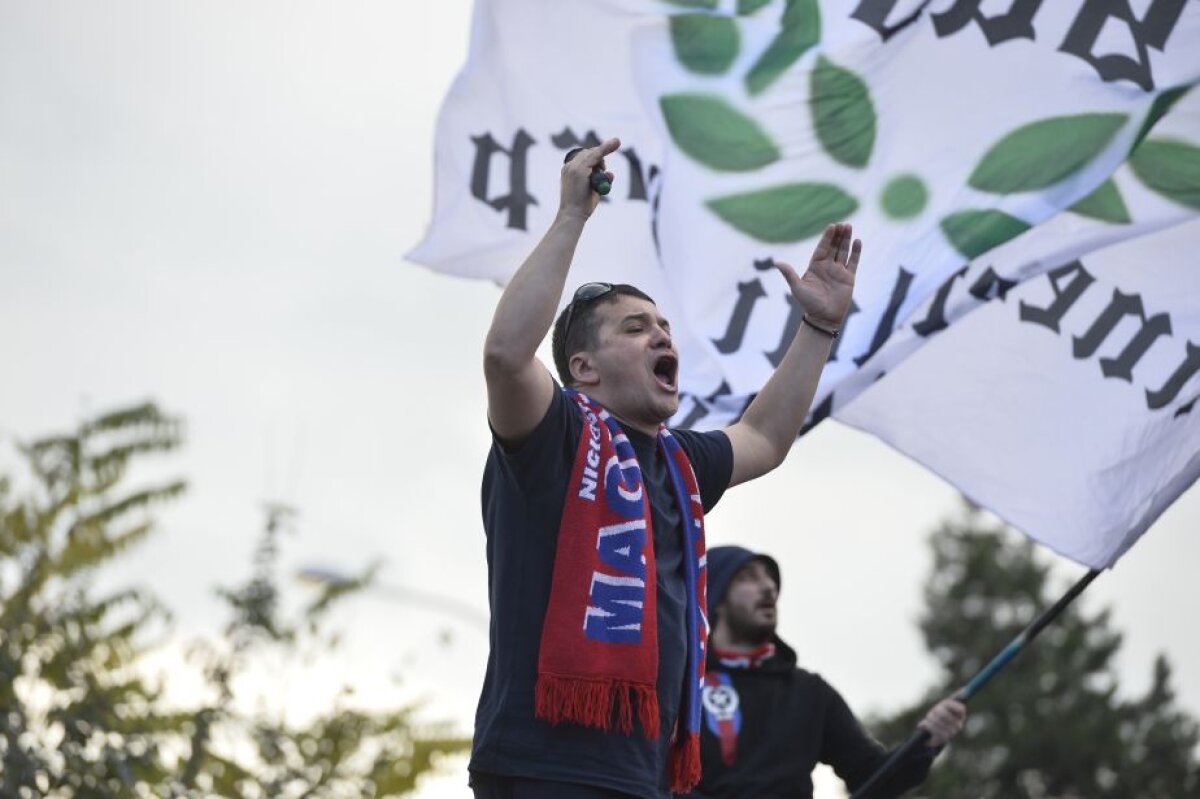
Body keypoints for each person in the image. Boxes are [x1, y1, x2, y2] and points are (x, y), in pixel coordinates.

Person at [471, 137, 862, 799]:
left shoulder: (679, 464)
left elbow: (765, 437)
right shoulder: (553, 435)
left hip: (645, 773)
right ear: (583, 369)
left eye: (663, 326)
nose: (661, 335)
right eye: (634, 328)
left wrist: (818, 327)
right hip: (544, 767)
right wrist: (572, 217)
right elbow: (507, 357)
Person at [682, 546, 968, 798]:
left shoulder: (809, 692)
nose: (768, 587)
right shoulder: (681, 686)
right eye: (748, 577)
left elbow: (872, 776)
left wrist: (927, 741)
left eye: (769, 578)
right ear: (714, 597)